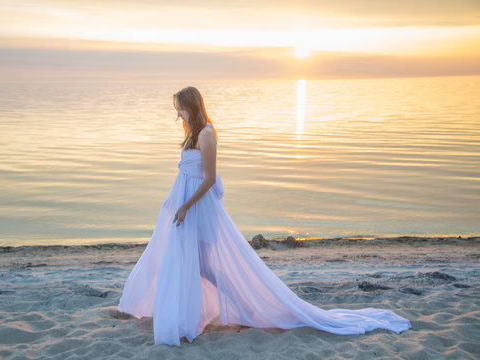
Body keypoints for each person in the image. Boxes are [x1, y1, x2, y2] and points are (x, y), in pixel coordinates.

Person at [118, 86, 412, 347]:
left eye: (180, 109)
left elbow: (209, 179)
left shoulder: (207, 133)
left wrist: (186, 206)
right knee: (191, 263)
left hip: (198, 210)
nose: (178, 115)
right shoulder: (192, 133)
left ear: (192, 106)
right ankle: (199, 313)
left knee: (203, 264)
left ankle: (242, 307)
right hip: (185, 209)